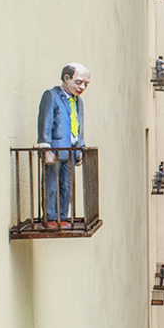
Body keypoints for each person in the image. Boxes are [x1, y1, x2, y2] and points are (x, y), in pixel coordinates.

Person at [37, 63, 91, 229]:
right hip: (55, 150)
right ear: (66, 78)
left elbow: (79, 126)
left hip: (71, 151)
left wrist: (80, 148)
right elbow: (45, 123)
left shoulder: (78, 102)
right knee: (51, 185)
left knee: (66, 186)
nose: (82, 87)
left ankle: (62, 216)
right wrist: (45, 148)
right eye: (78, 82)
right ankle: (50, 216)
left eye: (85, 84)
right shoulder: (51, 96)